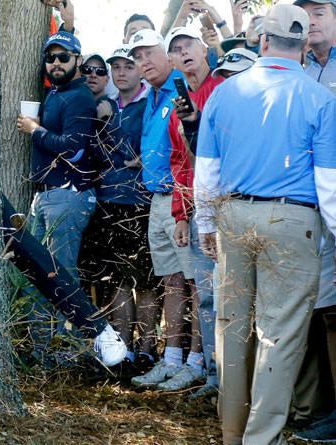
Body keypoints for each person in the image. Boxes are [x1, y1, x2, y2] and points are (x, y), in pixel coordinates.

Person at [194, 5, 336, 443]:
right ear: (302, 46)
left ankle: (232, 433)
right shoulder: (321, 98)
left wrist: (205, 225)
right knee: (280, 335)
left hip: (233, 215)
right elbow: (328, 184)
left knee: (232, 327)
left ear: (263, 41)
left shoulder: (224, 92)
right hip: (293, 220)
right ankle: (262, 439)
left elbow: (207, 170)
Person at [15, 31, 126, 367]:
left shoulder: (78, 97)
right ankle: (43, 350)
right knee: (37, 274)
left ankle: (76, 351)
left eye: (64, 57)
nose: (57, 63)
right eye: (51, 57)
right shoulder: (57, 93)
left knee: (60, 276)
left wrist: (34, 130)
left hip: (69, 195)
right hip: (47, 196)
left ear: (77, 60)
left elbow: (73, 146)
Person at [125, 29, 195, 389]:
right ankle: (171, 360)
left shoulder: (182, 88)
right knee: (172, 281)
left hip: (183, 198)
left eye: (149, 53)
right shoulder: (152, 95)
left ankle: (196, 361)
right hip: (157, 199)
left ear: (168, 55)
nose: (143, 62)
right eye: (137, 57)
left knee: (195, 282)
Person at [80, 43, 155, 375]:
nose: (122, 72)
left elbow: (143, 150)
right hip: (108, 202)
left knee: (148, 282)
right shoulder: (104, 105)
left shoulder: (149, 102)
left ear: (139, 69)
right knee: (117, 282)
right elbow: (95, 154)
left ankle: (149, 349)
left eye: (128, 66)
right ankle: (123, 346)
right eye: (117, 67)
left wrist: (134, 156)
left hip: (141, 203)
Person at [164, 26, 223, 394]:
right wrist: (182, 213)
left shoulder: (222, 89)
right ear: (171, 61)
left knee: (232, 295)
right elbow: (179, 164)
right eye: (176, 49)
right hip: (199, 211)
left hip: (230, 206)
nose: (184, 53)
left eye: (189, 45)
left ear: (204, 49)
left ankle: (237, 379)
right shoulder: (176, 105)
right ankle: (214, 376)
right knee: (205, 295)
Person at [292, 0, 336, 441]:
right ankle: (319, 409)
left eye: (319, 10)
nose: (312, 20)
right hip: (310, 211)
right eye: (304, 13)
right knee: (319, 312)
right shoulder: (297, 73)